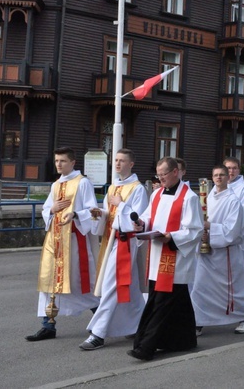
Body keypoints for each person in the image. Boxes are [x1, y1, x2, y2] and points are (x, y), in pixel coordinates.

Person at [128, 157, 203, 361]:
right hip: (156, 256)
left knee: (160, 303)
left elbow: (195, 230)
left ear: (175, 172)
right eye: (158, 175)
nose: (160, 179)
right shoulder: (157, 194)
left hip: (174, 258)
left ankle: (145, 347)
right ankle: (183, 340)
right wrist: (141, 225)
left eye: (164, 175)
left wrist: (172, 237)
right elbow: (148, 217)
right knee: (177, 303)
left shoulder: (189, 198)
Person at [27, 147, 100, 342]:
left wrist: (76, 214)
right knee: (48, 282)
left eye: (63, 161)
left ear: (73, 162)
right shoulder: (55, 185)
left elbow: (93, 210)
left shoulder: (83, 183)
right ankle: (47, 325)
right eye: (57, 160)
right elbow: (46, 209)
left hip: (74, 241)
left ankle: (104, 320)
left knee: (78, 283)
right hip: (54, 241)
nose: (58, 164)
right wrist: (52, 209)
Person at [81, 148, 149, 350]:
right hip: (110, 241)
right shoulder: (112, 188)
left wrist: (120, 206)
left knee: (112, 285)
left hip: (125, 243)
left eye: (122, 161)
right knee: (131, 288)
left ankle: (98, 333)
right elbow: (109, 216)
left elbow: (138, 219)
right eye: (116, 160)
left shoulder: (137, 189)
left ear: (131, 164)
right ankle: (139, 324)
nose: (117, 164)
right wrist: (99, 214)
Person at [190, 165, 244, 336]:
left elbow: (232, 231)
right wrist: (202, 235)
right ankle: (198, 321)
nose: (218, 178)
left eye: (222, 175)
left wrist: (210, 228)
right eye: (215, 175)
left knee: (232, 290)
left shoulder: (233, 200)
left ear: (227, 178)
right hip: (207, 251)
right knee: (200, 287)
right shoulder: (209, 197)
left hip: (226, 253)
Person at [223, 156, 244, 333]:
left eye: (234, 168)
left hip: (236, 240)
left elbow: (242, 215)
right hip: (221, 240)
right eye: (228, 168)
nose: (231, 171)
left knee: (241, 279)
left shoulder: (242, 189)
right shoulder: (219, 188)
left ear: (239, 170)